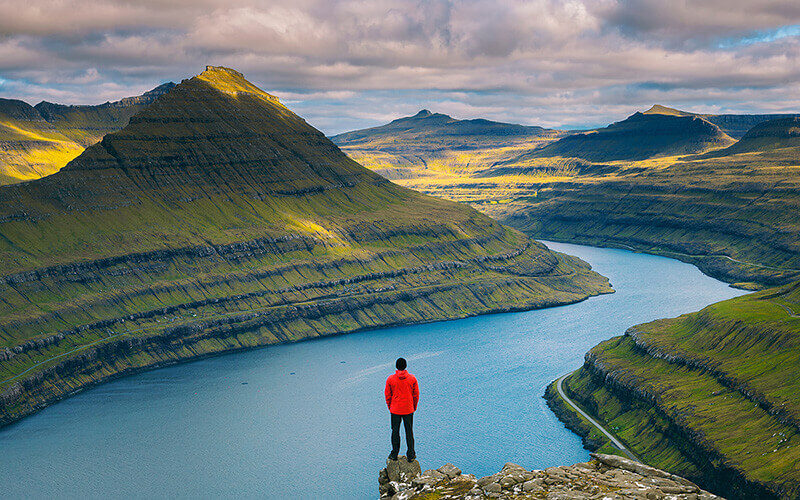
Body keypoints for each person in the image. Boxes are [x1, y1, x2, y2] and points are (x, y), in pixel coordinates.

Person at [384, 357, 419, 462]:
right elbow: (416, 395)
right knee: (409, 432)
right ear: (405, 366)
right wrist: (414, 407)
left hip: (395, 410)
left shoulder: (390, 379)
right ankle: (411, 455)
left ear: (396, 366)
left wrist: (390, 406)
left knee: (395, 432)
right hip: (408, 409)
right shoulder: (412, 379)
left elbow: (387, 395)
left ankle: (394, 454)